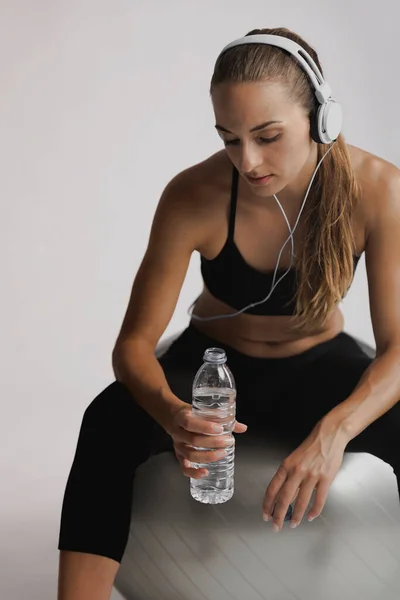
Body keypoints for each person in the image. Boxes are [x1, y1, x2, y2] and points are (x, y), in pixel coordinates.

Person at [57, 27, 400, 600]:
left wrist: (333, 433)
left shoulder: (379, 190)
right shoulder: (193, 195)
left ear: (321, 118)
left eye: (268, 136)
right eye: (229, 138)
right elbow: (134, 346)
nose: (249, 160)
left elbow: (398, 348)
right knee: (107, 420)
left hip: (321, 366)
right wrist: (171, 415)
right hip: (213, 368)